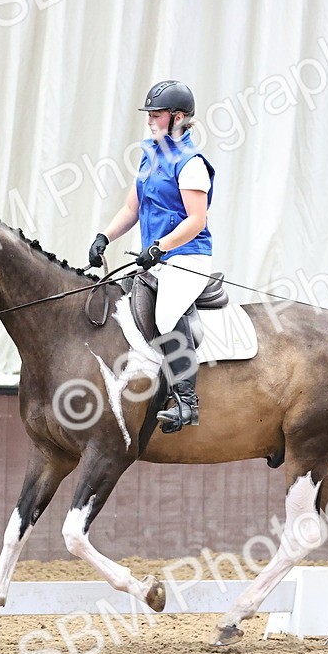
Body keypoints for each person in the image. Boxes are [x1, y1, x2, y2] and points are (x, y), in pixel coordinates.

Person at [88, 80, 216, 433]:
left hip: (187, 256)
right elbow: (132, 207)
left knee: (166, 315)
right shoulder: (150, 155)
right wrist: (105, 236)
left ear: (177, 118)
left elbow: (196, 220)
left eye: (156, 115)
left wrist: (160, 247)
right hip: (155, 257)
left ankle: (187, 403)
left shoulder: (191, 164)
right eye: (149, 114)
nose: (149, 120)